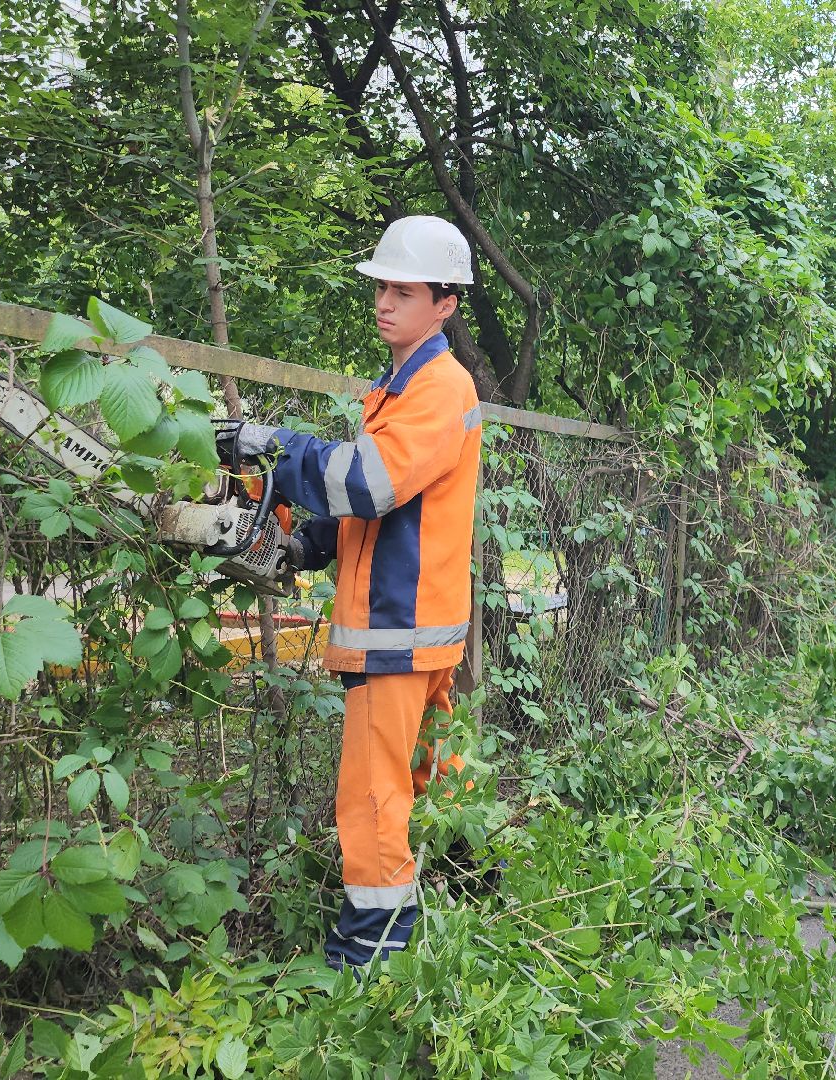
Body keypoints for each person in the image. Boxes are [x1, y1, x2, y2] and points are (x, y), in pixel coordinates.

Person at [214, 215, 482, 970]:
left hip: (395, 631)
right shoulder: (401, 388)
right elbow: (389, 497)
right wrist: (310, 543)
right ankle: (470, 888)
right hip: (415, 627)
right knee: (432, 772)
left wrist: (276, 447)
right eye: (381, 288)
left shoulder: (436, 386)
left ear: (445, 303)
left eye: (403, 289)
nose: (385, 302)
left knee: (370, 804)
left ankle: (369, 959)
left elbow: (366, 482)